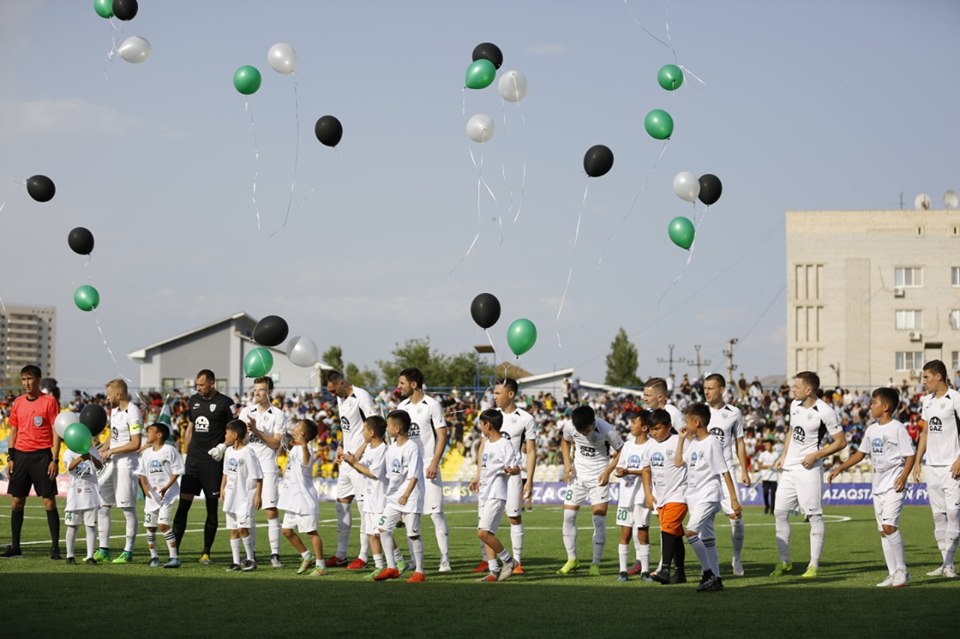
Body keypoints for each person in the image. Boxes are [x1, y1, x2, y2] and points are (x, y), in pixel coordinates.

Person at [829, 387, 915, 587]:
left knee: (889, 526)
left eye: (874, 402)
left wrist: (903, 477)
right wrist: (840, 467)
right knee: (883, 531)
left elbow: (909, 455)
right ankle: (892, 573)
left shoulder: (897, 428)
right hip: (878, 487)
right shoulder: (871, 430)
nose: (870, 406)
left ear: (885, 407)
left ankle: (902, 570)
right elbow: (860, 454)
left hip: (895, 484)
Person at [770, 371, 847, 579]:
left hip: (809, 470)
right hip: (789, 469)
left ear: (809, 390)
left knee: (814, 516)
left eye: (796, 387)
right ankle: (785, 562)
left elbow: (841, 441)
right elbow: (791, 432)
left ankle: (813, 565)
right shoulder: (794, 405)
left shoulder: (825, 411)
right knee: (779, 513)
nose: (792, 389)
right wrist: (783, 456)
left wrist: (816, 455)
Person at [471, 378, 536, 574]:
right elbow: (483, 445)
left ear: (510, 394)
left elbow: (531, 450)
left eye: (498, 393)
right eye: (494, 393)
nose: (495, 397)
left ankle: (517, 561)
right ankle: (490, 562)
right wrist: (477, 474)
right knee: (486, 521)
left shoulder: (525, 418)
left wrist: (529, 480)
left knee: (514, 517)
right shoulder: (491, 417)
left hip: (512, 475)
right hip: (491, 477)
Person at [675, 403, 742, 592]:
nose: (685, 426)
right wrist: (681, 440)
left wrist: (734, 499)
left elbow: (724, 471)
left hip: (708, 495)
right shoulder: (694, 442)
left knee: (690, 533)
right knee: (708, 539)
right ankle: (717, 579)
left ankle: (708, 573)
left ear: (697, 422)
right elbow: (679, 462)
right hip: (694, 496)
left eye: (687, 422)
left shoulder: (712, 443)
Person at [172, 369, 237, 564]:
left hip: (213, 463)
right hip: (193, 461)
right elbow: (190, 427)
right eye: (197, 385)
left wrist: (223, 446)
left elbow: (236, 430)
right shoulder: (193, 400)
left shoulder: (226, 403)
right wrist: (184, 453)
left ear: (212, 383)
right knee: (183, 506)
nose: (198, 388)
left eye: (201, 384)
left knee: (211, 508)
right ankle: (174, 552)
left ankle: (206, 552)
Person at [1, 365, 63, 559]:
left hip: (42, 457)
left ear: (38, 380)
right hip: (20, 457)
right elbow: (14, 431)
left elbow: (56, 431)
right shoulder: (18, 403)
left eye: (30, 379)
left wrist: (54, 459)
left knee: (48, 501)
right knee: (16, 503)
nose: (27, 383)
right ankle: (16, 547)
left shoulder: (49, 401)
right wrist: (11, 457)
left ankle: (55, 548)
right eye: (24, 380)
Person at [557, 405, 623, 576]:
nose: (584, 434)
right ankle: (572, 560)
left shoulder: (607, 430)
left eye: (586, 430)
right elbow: (565, 441)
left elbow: (623, 451)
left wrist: (608, 471)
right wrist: (567, 463)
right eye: (580, 431)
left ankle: (595, 563)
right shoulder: (571, 426)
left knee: (599, 520)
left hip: (598, 479)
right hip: (577, 477)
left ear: (593, 423)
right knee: (568, 516)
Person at [397, 368, 451, 572]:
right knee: (411, 515)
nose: (398, 387)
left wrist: (434, 463)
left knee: (436, 514)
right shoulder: (401, 406)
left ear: (413, 384)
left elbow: (442, 435)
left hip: (429, 466)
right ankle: (414, 560)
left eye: (402, 383)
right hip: (408, 471)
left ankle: (445, 559)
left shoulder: (432, 405)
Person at [326, 370, 380, 570]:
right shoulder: (341, 399)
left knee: (364, 508)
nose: (332, 395)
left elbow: (376, 427)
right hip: (346, 461)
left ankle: (364, 556)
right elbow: (347, 428)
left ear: (342, 383)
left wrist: (358, 453)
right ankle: (341, 555)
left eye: (333, 391)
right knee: (342, 504)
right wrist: (341, 445)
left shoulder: (362, 396)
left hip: (360, 461)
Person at [912, 359, 960, 578]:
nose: (924, 382)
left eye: (926, 377)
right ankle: (945, 563)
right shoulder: (927, 401)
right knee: (938, 517)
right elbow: (925, 433)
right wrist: (917, 462)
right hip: (932, 467)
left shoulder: (956, 399)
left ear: (939, 376)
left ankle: (949, 564)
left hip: (952, 467)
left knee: (953, 514)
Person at [703, 373, 750, 576]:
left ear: (721, 389)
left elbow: (739, 442)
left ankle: (736, 560)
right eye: (705, 388)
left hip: (726, 473)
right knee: (705, 520)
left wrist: (745, 470)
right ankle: (709, 564)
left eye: (710, 388)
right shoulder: (699, 412)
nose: (707, 392)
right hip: (703, 474)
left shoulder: (733, 413)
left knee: (736, 518)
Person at [239, 376, 287, 568]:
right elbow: (240, 441)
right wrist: (247, 433)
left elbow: (276, 442)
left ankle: (275, 554)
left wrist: (257, 431)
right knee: (248, 511)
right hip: (248, 467)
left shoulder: (278, 414)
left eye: (260, 390)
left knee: (270, 510)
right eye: (255, 389)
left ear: (269, 392)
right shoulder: (245, 412)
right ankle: (251, 555)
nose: (256, 393)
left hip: (267, 466)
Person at [469, 409, 521, 582]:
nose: (480, 428)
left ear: (488, 425)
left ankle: (509, 561)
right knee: (487, 534)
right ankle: (493, 571)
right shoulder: (487, 442)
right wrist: (477, 478)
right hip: (484, 493)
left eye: (481, 424)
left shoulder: (504, 444)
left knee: (483, 533)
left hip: (496, 493)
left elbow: (516, 468)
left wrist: (511, 470)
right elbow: (484, 467)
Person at [94, 378, 143, 564]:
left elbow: (136, 443)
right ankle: (103, 549)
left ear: (118, 394)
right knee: (103, 505)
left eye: (109, 394)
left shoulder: (133, 412)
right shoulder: (114, 411)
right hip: (111, 465)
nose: (107, 398)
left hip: (125, 466)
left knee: (127, 509)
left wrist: (111, 451)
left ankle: (128, 552)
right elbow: (114, 437)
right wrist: (102, 447)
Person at [374, 410, 426, 583]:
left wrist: (406, 494)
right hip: (394, 498)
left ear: (397, 428)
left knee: (413, 535)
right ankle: (391, 567)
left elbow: (414, 475)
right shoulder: (391, 448)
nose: (386, 428)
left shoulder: (412, 447)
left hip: (410, 497)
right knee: (383, 529)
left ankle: (419, 571)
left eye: (388, 425)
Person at [343, 415, 394, 580]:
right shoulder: (371, 448)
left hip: (380, 497)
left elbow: (373, 473)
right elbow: (360, 465)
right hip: (369, 496)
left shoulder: (383, 450)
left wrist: (353, 463)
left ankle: (397, 562)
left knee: (381, 532)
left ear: (371, 432)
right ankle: (379, 566)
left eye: (364, 430)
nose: (362, 432)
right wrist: (352, 461)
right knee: (371, 533)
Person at [641, 409, 687, 584]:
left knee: (667, 529)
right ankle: (680, 573)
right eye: (652, 429)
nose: (654, 433)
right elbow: (646, 469)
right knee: (674, 534)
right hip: (660, 497)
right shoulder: (650, 446)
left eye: (658, 428)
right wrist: (648, 493)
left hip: (679, 494)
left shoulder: (679, 441)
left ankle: (664, 569)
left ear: (669, 427)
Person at [279, 419, 327, 577]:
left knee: (312, 533)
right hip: (293, 500)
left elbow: (306, 463)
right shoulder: (295, 449)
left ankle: (321, 566)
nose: (294, 428)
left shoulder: (307, 450)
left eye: (297, 427)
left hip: (305, 500)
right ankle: (307, 556)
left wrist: (304, 445)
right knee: (286, 531)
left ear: (303, 434)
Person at [137, 422, 184, 568]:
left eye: (150, 431)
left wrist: (166, 488)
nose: (147, 434)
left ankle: (174, 558)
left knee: (163, 525)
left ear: (159, 435)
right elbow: (142, 474)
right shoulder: (146, 453)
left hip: (168, 495)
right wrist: (145, 489)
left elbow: (177, 471)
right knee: (150, 528)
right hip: (152, 497)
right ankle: (154, 557)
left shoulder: (169, 450)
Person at [614, 409, 654, 582]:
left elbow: (649, 470)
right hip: (625, 496)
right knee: (625, 533)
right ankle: (623, 570)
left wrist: (629, 470)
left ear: (644, 427)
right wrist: (620, 471)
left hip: (641, 496)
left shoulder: (651, 446)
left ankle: (645, 571)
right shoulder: (628, 445)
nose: (631, 426)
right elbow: (620, 466)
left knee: (642, 533)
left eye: (634, 423)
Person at [220, 419, 263, 572]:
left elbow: (258, 475)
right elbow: (225, 472)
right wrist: (222, 488)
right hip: (231, 496)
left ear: (235, 435)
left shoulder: (248, 452)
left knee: (243, 528)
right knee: (233, 530)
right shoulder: (229, 451)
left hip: (245, 497)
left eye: (227, 433)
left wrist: (258, 495)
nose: (225, 436)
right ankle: (236, 562)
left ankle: (250, 559)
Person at [63, 446, 103, 565]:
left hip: (91, 494)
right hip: (74, 496)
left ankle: (90, 556)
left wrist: (91, 457)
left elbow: (99, 466)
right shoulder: (68, 452)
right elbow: (70, 467)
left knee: (91, 526)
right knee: (72, 526)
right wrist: (81, 458)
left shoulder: (93, 450)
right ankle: (70, 555)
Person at [756, 440, 779, 515]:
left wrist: (775, 466)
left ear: (772, 445)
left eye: (768, 445)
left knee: (773, 494)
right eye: (766, 445)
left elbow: (779, 465)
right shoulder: (763, 454)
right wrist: (768, 466)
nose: (767, 447)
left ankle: (772, 509)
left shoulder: (776, 455)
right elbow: (759, 466)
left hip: (774, 477)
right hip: (765, 477)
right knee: (765, 493)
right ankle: (767, 506)